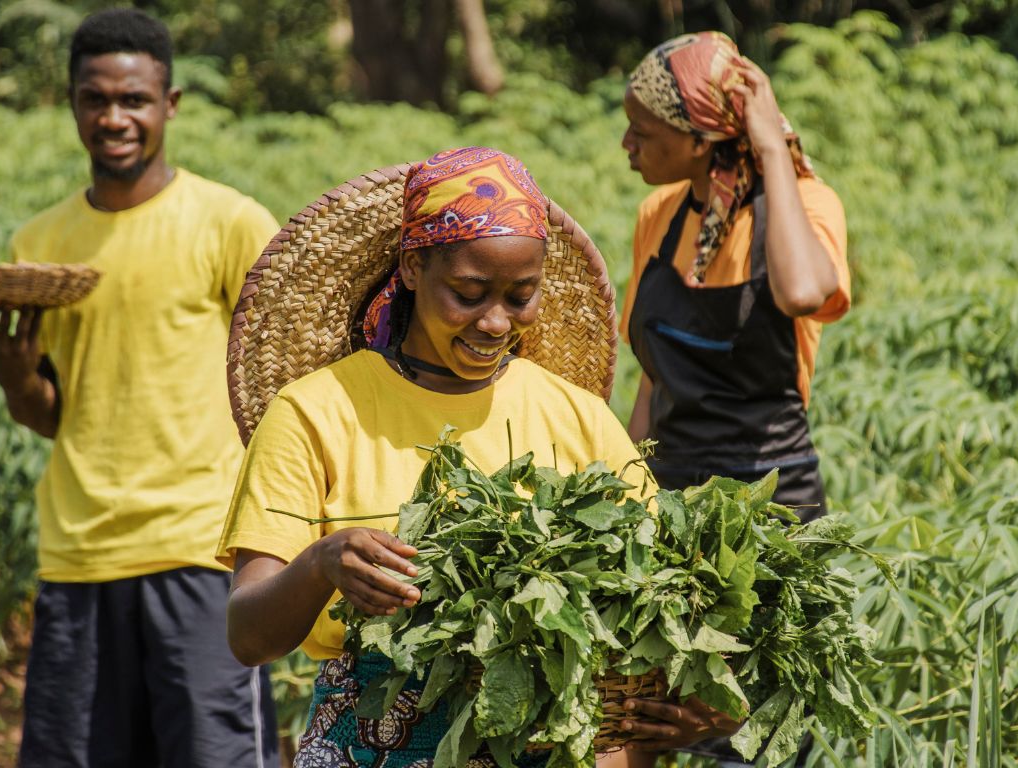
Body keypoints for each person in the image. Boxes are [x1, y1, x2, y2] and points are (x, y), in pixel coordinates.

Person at [216, 146, 741, 767]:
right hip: (372, 740)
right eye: (468, 293)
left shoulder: (574, 417)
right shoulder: (316, 411)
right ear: (412, 268)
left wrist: (696, 707)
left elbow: (658, 599)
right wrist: (320, 564)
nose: (495, 322)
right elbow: (248, 635)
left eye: (521, 295)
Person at [0, 9, 279, 767]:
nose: (114, 117)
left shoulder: (228, 224)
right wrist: (11, 375)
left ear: (169, 105)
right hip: (78, 558)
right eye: (95, 99)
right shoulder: (39, 247)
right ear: (71, 104)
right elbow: (52, 414)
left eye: (133, 100)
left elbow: (282, 386)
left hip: (200, 553)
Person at [617, 31, 851, 768]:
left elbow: (804, 290)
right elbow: (653, 376)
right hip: (671, 500)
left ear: (699, 140)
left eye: (643, 131)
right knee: (637, 714)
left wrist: (773, 151)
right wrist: (622, 489)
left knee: (757, 736)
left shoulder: (803, 205)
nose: (627, 144)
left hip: (771, 508)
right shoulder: (660, 217)